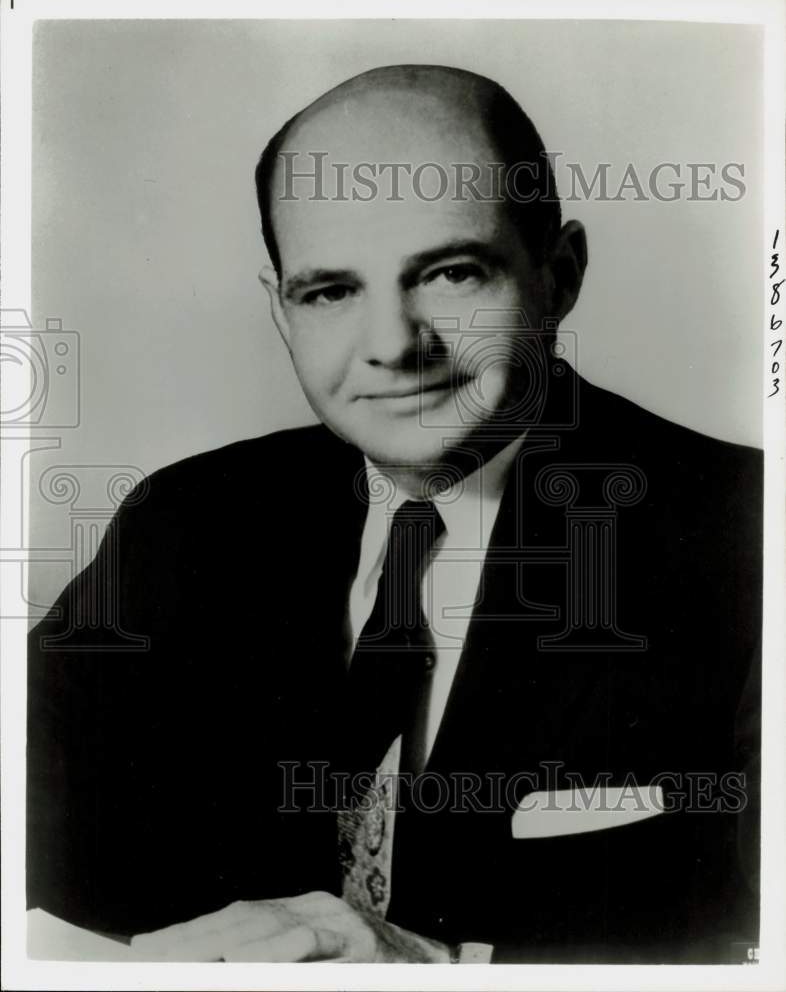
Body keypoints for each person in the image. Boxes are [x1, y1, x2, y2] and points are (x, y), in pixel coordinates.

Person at [27, 64, 762, 963]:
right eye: (331, 291)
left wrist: (436, 972)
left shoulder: (751, 542)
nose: (392, 347)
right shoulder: (185, 522)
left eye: (452, 273)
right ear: (280, 310)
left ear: (559, 275)